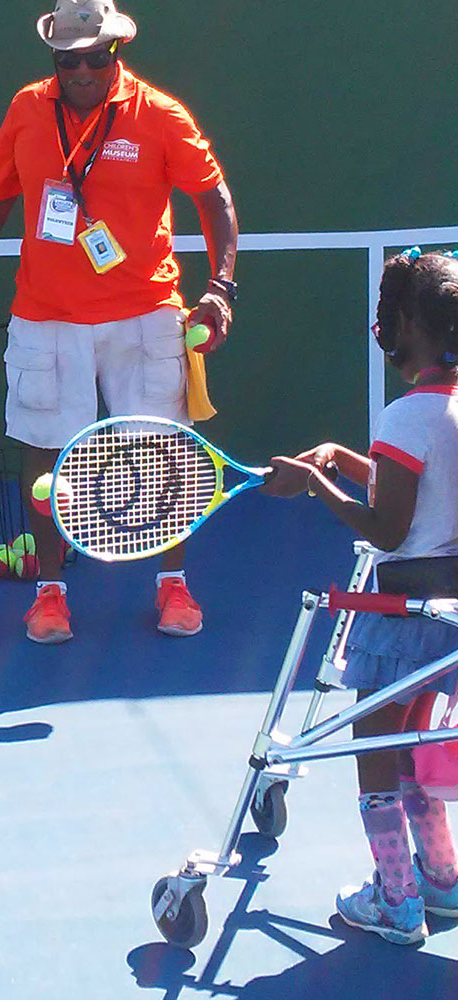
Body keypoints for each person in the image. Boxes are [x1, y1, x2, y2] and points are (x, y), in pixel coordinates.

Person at [0, 0, 238, 644]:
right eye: (69, 59)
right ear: (55, 59)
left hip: (145, 310)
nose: (83, 70)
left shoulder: (159, 115)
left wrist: (221, 287)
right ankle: (49, 593)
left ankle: (172, 584)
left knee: (165, 451)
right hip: (47, 314)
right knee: (43, 454)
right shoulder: (26, 110)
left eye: (96, 57)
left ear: (115, 52)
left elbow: (214, 199)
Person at [262, 247, 458, 945]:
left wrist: (316, 485)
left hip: (403, 617)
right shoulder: (451, 410)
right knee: (415, 738)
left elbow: (391, 526)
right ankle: (441, 879)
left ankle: (398, 903)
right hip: (452, 620)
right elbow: (428, 491)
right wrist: (346, 461)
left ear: (409, 322)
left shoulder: (406, 417)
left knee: (376, 744)